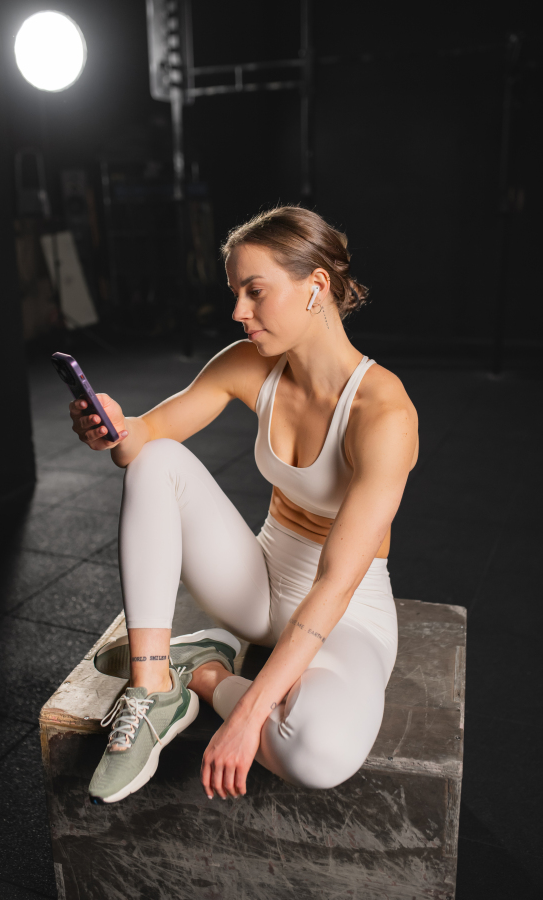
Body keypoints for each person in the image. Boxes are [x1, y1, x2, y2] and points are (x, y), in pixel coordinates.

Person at [68, 206, 419, 805]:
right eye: (235, 292)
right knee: (158, 458)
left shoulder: (384, 413)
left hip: (345, 613)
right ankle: (154, 687)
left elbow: (336, 584)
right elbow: (142, 447)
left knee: (318, 753)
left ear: (316, 287)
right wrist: (113, 428)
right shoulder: (250, 365)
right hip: (258, 587)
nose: (238, 311)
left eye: (254, 291)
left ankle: (204, 675)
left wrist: (247, 709)